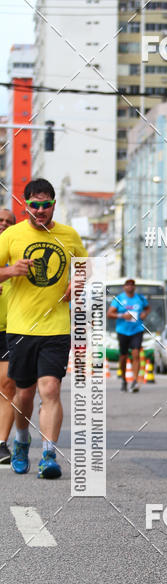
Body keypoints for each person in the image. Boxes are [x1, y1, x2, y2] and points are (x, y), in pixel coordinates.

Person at [0, 179, 87, 478]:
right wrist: (10, 270)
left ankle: (49, 455)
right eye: (34, 205)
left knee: (50, 388)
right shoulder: (11, 235)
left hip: (56, 327)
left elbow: (85, 266)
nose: (40, 210)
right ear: (25, 205)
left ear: (53, 205)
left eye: (45, 204)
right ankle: (22, 440)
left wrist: (77, 282)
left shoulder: (68, 235)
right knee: (24, 395)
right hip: (21, 327)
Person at [107, 279, 150, 393]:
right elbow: (109, 313)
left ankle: (134, 380)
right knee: (123, 357)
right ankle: (124, 380)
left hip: (137, 330)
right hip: (123, 331)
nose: (130, 286)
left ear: (134, 287)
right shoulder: (119, 299)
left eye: (132, 285)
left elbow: (147, 308)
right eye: (128, 285)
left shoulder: (140, 298)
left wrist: (144, 313)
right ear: (124, 287)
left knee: (136, 353)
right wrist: (122, 315)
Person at [0, 207, 17, 464]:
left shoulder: (19, 255)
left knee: (7, 385)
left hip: (9, 328)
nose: (3, 224)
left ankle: (1, 443)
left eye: (9, 221)